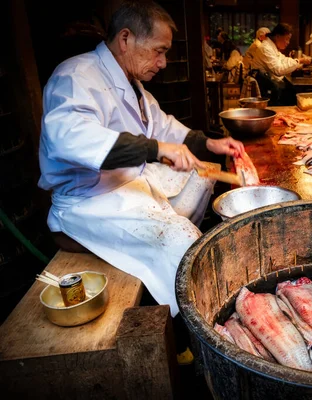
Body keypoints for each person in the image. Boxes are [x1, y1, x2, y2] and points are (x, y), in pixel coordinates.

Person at [37, 0, 244, 361]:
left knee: (204, 175)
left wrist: (208, 143)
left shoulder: (131, 83)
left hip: (128, 185)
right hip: (89, 201)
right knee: (181, 237)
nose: (162, 63)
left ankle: (168, 263)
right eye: (159, 52)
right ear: (126, 39)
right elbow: (67, 137)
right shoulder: (75, 77)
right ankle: (190, 340)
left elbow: (164, 126)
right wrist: (154, 149)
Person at [251, 23, 311, 105]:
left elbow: (283, 59)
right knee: (292, 93)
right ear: (277, 36)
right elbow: (278, 70)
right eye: (287, 39)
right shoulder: (266, 48)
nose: (288, 42)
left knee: (292, 91)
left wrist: (299, 61)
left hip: (270, 83)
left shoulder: (272, 47)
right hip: (265, 87)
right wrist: (299, 61)